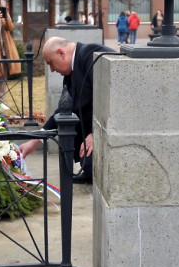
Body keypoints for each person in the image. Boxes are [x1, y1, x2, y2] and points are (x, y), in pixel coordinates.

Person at [18, 37, 112, 184]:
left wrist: (96, 133)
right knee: (87, 160)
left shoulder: (92, 55)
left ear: (61, 53)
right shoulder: (71, 72)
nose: (52, 70)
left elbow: (110, 97)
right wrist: (34, 141)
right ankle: (88, 170)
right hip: (91, 134)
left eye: (51, 63)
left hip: (113, 126)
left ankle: (89, 168)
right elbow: (63, 113)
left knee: (90, 157)